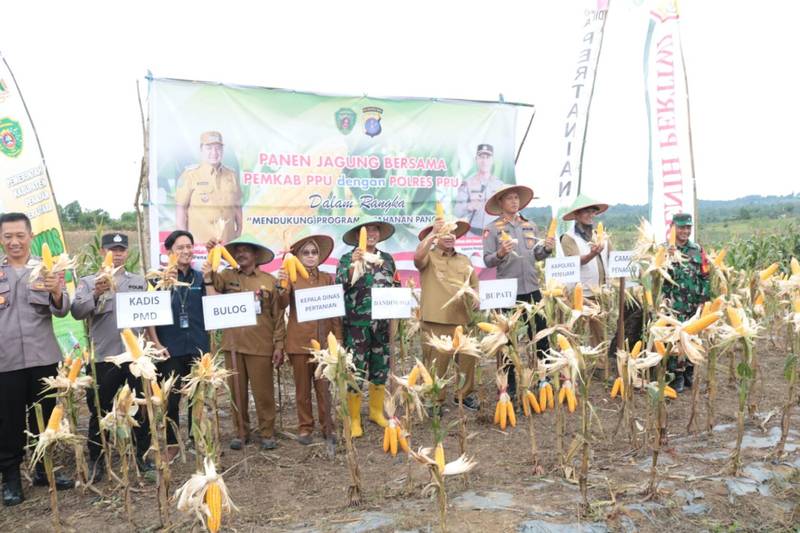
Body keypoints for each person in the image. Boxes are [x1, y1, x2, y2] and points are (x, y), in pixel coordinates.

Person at [0, 212, 73, 506]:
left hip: (43, 357)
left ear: (31, 236)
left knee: (45, 418)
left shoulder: (47, 269)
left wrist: (56, 290)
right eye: (8, 236)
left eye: (20, 235)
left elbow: (62, 309)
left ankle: (45, 469)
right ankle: (11, 479)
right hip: (5, 361)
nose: (14, 242)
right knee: (8, 422)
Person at [71, 232, 148, 480]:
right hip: (103, 358)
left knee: (139, 407)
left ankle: (142, 455)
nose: (117, 254)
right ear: (102, 252)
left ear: (127, 252)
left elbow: (150, 314)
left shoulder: (139, 281)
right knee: (100, 410)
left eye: (121, 249)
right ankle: (97, 459)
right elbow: (77, 311)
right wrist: (95, 293)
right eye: (112, 249)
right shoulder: (88, 282)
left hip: (134, 358)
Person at [204, 235, 284, 450]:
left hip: (261, 345)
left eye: (246, 250)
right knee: (236, 393)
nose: (241, 254)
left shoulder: (269, 281)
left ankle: (267, 432)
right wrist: (212, 252)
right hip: (233, 345)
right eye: (237, 250)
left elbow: (277, 316)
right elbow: (211, 284)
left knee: (263, 394)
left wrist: (279, 345)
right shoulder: (225, 276)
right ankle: (241, 432)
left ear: (256, 254)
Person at [483, 185, 554, 399]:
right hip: (507, 291)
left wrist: (547, 249)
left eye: (516, 198)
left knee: (540, 334)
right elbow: (488, 260)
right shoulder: (492, 229)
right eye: (509, 198)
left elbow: (536, 255)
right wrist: (500, 253)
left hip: (531, 287)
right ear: (500, 203)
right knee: (507, 340)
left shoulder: (529, 225)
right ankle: (509, 384)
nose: (514, 201)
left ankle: (544, 377)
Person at [148, 230, 210, 460]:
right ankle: (172, 443)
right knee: (171, 398)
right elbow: (149, 316)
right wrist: (156, 343)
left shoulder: (200, 278)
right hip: (169, 349)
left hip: (197, 346)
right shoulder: (156, 280)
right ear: (169, 252)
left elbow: (214, 307)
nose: (186, 251)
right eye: (180, 247)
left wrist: (210, 279)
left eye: (189, 246)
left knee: (198, 396)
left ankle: (197, 438)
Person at [335, 220, 397, 437]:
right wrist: (354, 264)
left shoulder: (387, 259)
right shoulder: (347, 259)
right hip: (356, 325)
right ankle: (354, 418)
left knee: (380, 368)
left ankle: (376, 411)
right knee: (355, 371)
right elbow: (340, 284)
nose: (371, 233)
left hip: (381, 325)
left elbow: (395, 287)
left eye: (375, 230)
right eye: (367, 230)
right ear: (357, 235)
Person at [276, 235, 340, 445]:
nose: (311, 256)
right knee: (302, 390)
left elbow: (335, 312)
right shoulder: (292, 278)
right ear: (297, 257)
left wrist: (338, 338)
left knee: (323, 388)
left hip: (324, 343)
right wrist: (282, 284)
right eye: (306, 253)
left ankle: (328, 426)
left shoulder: (327, 278)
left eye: (314, 252)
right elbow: (282, 303)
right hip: (300, 342)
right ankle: (305, 427)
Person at [415, 218, 479, 409]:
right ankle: (435, 399)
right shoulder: (428, 256)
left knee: (467, 359)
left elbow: (473, 283)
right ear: (435, 237)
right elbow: (417, 258)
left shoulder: (464, 259)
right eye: (445, 233)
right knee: (436, 364)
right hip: (436, 320)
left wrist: (475, 296)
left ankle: (464, 395)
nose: (450, 236)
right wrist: (432, 233)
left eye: (452, 233)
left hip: (462, 318)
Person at [662, 213, 711, 392]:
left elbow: (705, 275)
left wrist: (704, 300)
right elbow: (655, 277)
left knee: (692, 338)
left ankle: (689, 372)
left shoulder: (697, 250)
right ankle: (676, 376)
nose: (685, 231)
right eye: (681, 227)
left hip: (693, 304)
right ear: (673, 228)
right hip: (673, 305)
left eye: (688, 227)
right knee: (675, 340)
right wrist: (666, 258)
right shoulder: (664, 250)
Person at [560, 194, 610, 346]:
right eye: (586, 211)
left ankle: (600, 360)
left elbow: (612, 257)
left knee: (600, 334)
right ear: (576, 215)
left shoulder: (601, 236)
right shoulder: (568, 238)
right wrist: (592, 254)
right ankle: (579, 359)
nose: (591, 215)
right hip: (582, 294)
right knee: (578, 332)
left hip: (601, 293)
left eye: (593, 211)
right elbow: (575, 262)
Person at [175, 131, 243, 244]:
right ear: (201, 149)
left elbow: (237, 205)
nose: (214, 152)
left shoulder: (231, 175)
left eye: (218, 148)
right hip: (200, 244)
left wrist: (239, 229)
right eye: (209, 148)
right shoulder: (190, 175)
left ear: (222, 150)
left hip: (228, 242)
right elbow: (181, 209)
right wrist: (184, 239)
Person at [454, 144, 506, 235]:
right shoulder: (467, 183)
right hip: (472, 234)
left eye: (487, 157)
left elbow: (506, 209)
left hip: (494, 233)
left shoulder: (500, 184)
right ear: (476, 159)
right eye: (481, 157)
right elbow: (457, 212)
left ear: (492, 160)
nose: (484, 161)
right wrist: (468, 207)